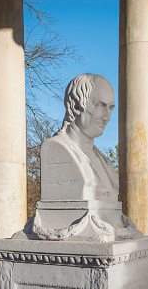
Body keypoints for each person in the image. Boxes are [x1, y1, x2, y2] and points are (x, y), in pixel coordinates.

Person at [40, 73, 118, 202]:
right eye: (100, 105)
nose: (107, 117)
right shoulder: (55, 148)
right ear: (74, 106)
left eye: (111, 108)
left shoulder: (105, 163)